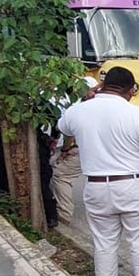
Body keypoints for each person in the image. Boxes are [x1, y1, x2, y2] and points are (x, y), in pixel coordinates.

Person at [57, 67, 139, 276]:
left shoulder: (78, 111)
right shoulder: (136, 114)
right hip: (133, 184)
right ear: (130, 90)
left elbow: (63, 127)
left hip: (96, 186)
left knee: (104, 242)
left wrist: (88, 94)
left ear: (102, 86)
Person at [49, 76, 98, 227]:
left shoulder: (78, 108)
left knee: (60, 175)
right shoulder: (102, 107)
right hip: (98, 150)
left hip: (80, 149)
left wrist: (66, 149)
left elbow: (70, 132)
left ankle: (64, 214)